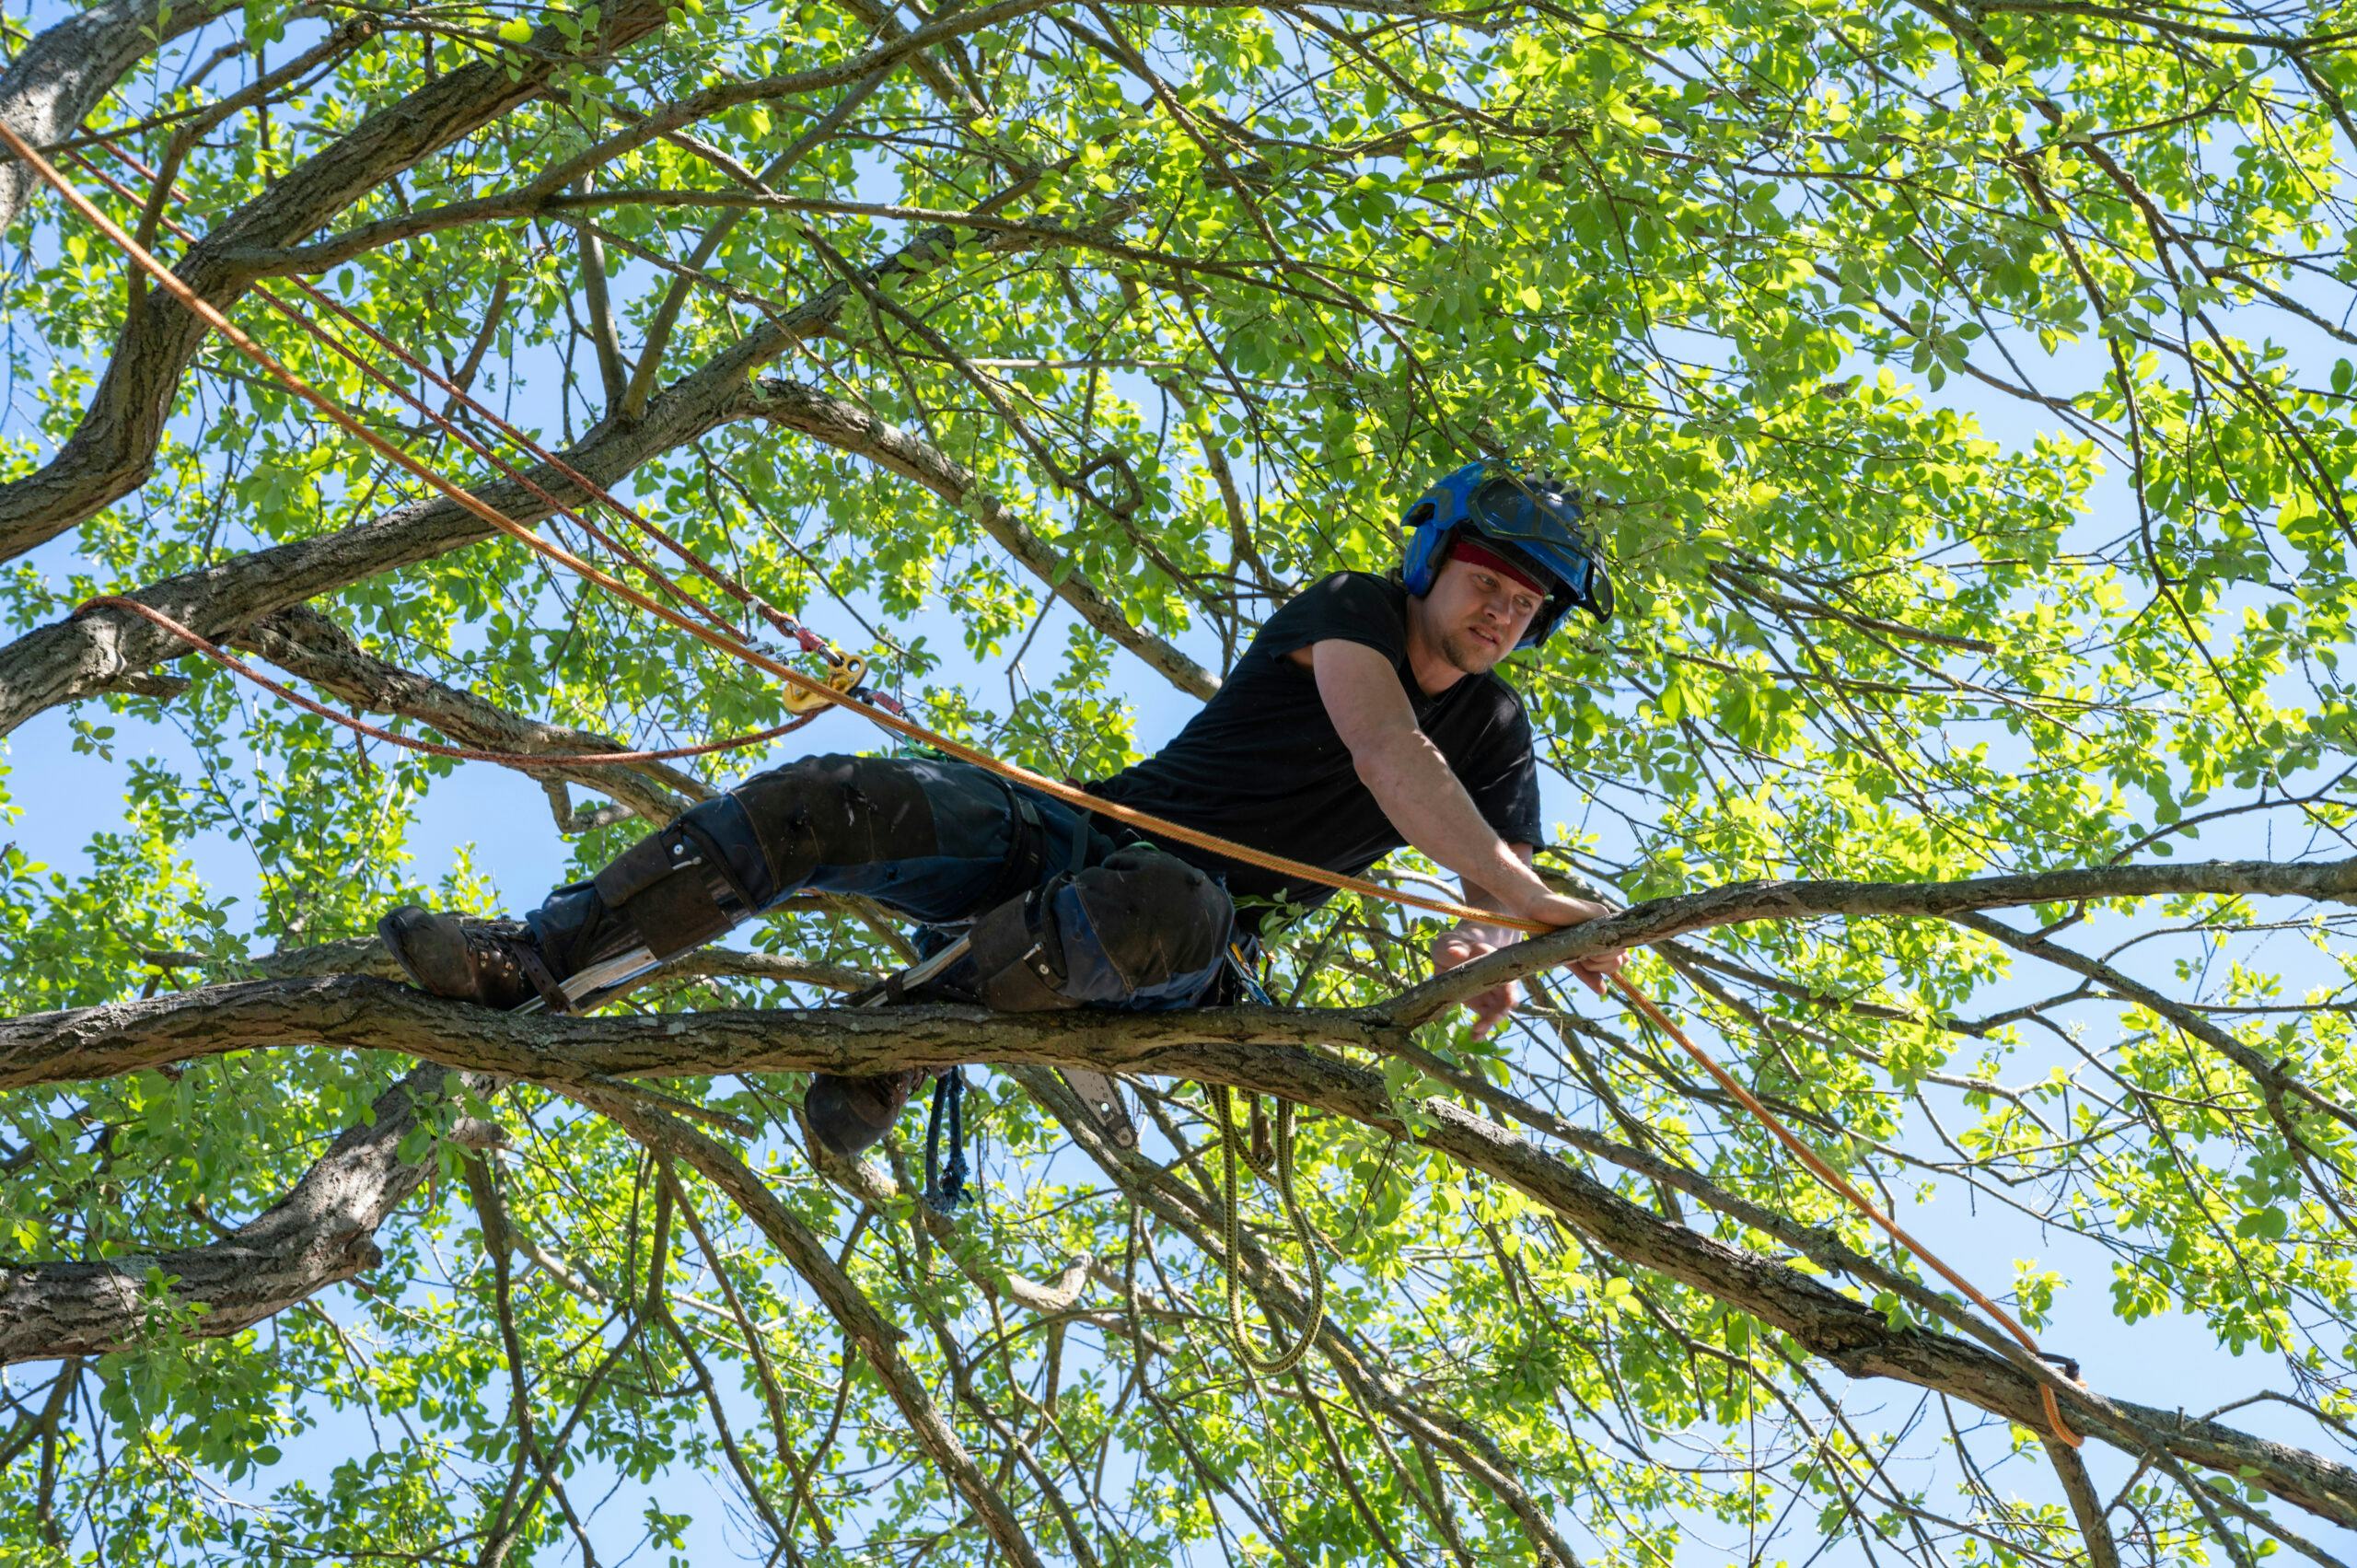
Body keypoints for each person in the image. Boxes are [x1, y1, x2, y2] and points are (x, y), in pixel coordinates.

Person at [377, 458, 1631, 1156]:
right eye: (1492, 581)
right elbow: (1385, 754)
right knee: (829, 797)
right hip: (1065, 834)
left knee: (1173, 906)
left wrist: (1491, 943)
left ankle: (905, 1036)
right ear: (1434, 562)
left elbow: (1487, 903)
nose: (1506, 614)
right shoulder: (1352, 611)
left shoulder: (1499, 732)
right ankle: (533, 961)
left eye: (1532, 607)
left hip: (1187, 942)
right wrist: (1525, 901)